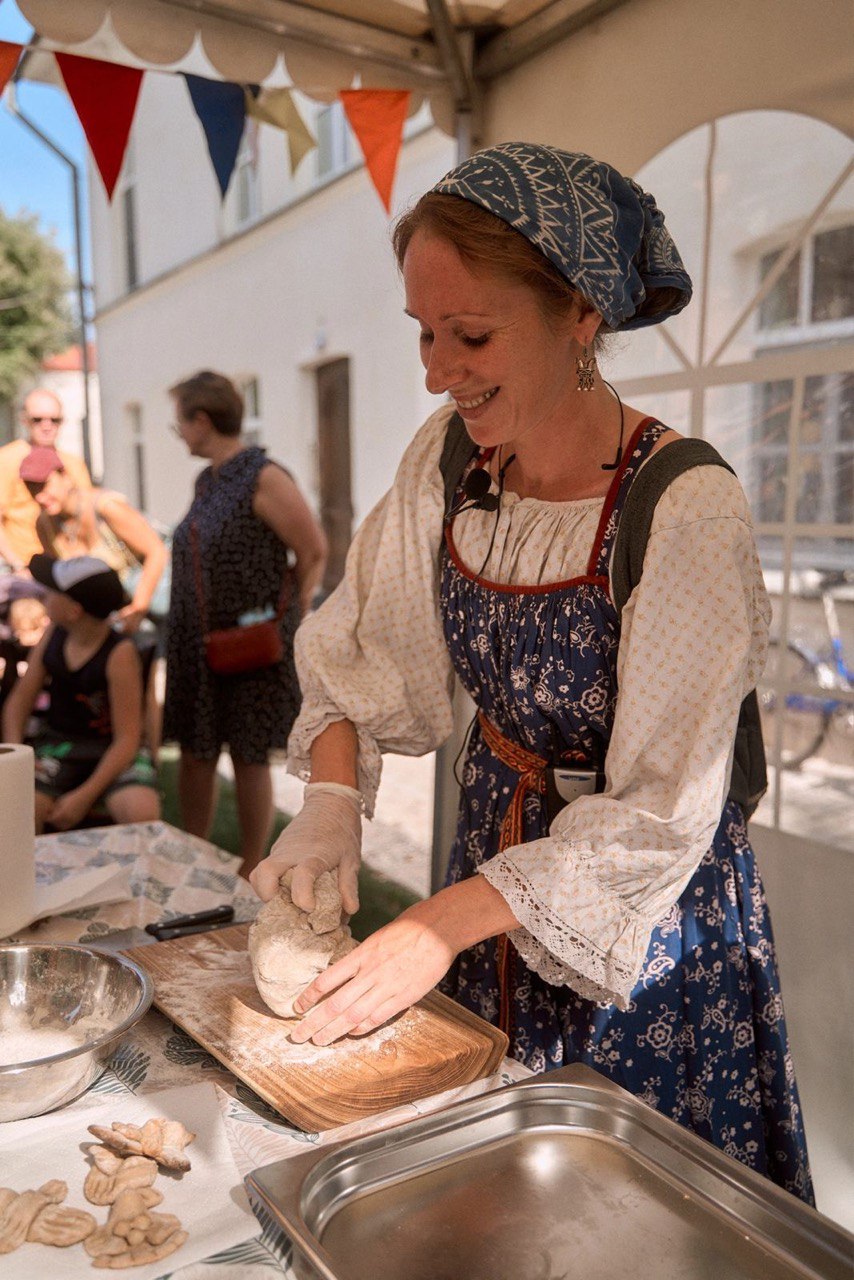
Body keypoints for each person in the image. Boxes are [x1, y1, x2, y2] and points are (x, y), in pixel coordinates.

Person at [249, 144, 813, 1203]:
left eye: (469, 334)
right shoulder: (452, 459)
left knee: (613, 1217)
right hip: (481, 885)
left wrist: (437, 922)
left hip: (630, 928)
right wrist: (330, 796)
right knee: (487, 1207)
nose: (434, 369)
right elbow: (363, 644)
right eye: (423, 333)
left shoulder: (681, 506)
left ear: (581, 315)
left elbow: (657, 811)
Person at [163, 370, 327, 878]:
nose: (180, 435)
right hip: (198, 643)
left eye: (180, 425)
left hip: (246, 645)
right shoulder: (207, 478)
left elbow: (313, 550)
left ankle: (250, 866)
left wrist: (286, 620)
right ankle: (196, 857)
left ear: (202, 420)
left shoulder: (262, 474)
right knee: (196, 749)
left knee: (249, 755)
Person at [2, 554, 160, 833]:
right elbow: (18, 703)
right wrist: (18, 764)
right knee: (21, 809)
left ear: (74, 610)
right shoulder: (53, 635)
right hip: (60, 746)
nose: (44, 596)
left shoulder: (119, 654)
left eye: (52, 592)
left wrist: (83, 797)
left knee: (142, 813)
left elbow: (127, 739)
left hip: (111, 752)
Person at [24, 446, 169, 637]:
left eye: (44, 485)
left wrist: (138, 608)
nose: (39, 496)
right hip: (98, 619)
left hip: (144, 608)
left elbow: (157, 551)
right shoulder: (44, 524)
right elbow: (60, 584)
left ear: (65, 476)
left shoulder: (106, 507)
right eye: (32, 488)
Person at [0, 389, 92, 574]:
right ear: (24, 420)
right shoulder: (7, 459)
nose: (47, 426)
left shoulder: (73, 463)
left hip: (66, 567)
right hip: (25, 566)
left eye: (54, 420)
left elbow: (86, 513)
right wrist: (16, 564)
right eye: (38, 419)